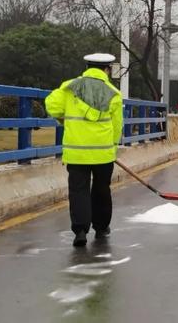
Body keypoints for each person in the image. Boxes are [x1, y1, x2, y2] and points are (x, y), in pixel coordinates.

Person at [45, 53, 124, 247]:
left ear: (87, 66)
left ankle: (80, 230)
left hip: (76, 152)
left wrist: (63, 118)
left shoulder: (69, 87)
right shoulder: (113, 93)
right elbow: (117, 125)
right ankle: (101, 227)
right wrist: (112, 146)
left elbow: (52, 106)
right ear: (106, 69)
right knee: (101, 190)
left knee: (78, 190)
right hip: (103, 153)